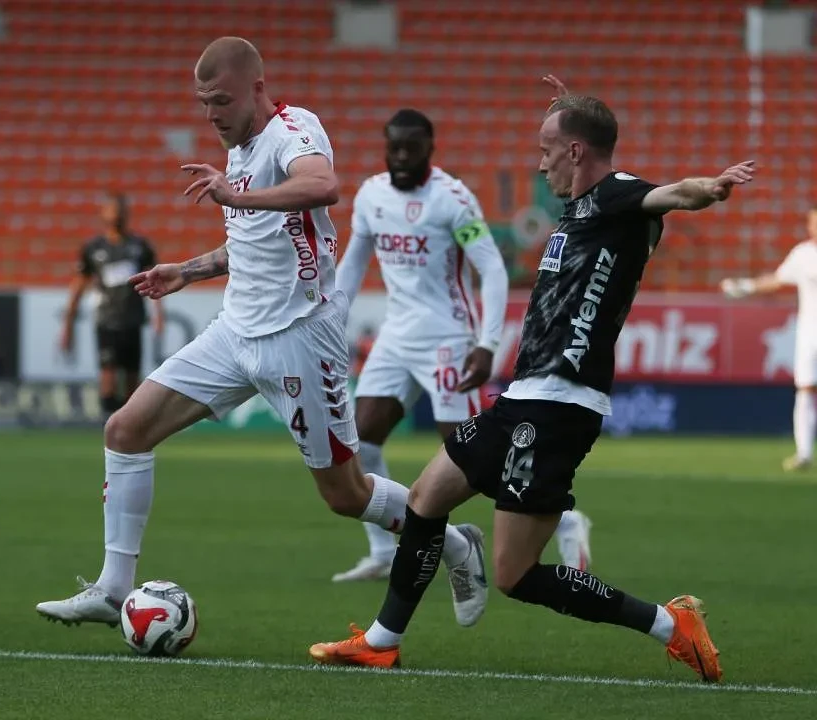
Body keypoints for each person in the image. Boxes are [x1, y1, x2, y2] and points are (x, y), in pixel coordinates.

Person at [308, 75, 754, 683]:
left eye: (547, 147)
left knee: (518, 575)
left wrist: (707, 188)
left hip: (560, 405)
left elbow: (667, 195)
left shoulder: (619, 195)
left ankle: (672, 626)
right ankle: (382, 641)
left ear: (575, 151)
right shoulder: (580, 210)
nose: (537, 160)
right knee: (425, 496)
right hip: (525, 395)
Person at [35, 36, 488, 630]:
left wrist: (237, 193)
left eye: (220, 100)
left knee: (345, 495)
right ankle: (113, 589)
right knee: (125, 429)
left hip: (300, 336)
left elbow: (323, 186)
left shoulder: (292, 128)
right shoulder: (239, 154)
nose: (210, 114)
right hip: (234, 333)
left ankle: (457, 545)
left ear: (255, 87)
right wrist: (187, 269)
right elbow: (253, 241)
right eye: (202, 103)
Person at [331, 109, 592, 583]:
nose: (402, 157)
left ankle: (566, 518)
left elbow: (490, 268)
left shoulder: (452, 199)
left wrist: (486, 342)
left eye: (412, 148)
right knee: (359, 440)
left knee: (470, 458)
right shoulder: (371, 196)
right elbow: (353, 262)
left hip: (447, 340)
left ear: (431, 149)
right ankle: (383, 550)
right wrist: (332, 319)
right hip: (394, 337)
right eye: (395, 148)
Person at [721, 207, 817, 471]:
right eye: (813, 222)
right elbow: (778, 280)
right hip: (810, 334)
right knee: (806, 389)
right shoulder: (803, 254)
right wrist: (747, 287)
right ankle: (804, 452)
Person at [60, 192, 165, 416]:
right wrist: (68, 323)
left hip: (132, 320)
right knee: (107, 376)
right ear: (103, 214)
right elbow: (78, 286)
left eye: (120, 211)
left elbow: (155, 279)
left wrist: (158, 314)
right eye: (111, 210)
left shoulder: (140, 246)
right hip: (106, 320)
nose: (116, 215)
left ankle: (130, 428)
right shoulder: (93, 248)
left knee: (131, 380)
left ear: (126, 214)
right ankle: (108, 426)